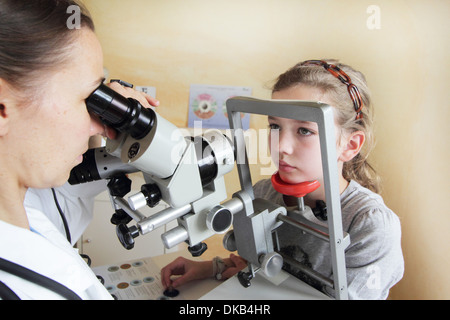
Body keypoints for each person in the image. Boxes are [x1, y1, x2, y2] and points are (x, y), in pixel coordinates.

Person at [161, 59, 404, 300]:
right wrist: (212, 268)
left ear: (349, 146)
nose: (281, 147)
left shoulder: (370, 225)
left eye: (305, 130)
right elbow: (255, 263)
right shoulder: (264, 193)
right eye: (275, 126)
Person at [0, 0, 158, 299]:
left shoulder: (26, 211)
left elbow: (68, 198)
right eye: (88, 98)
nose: (98, 125)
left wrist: (128, 135)